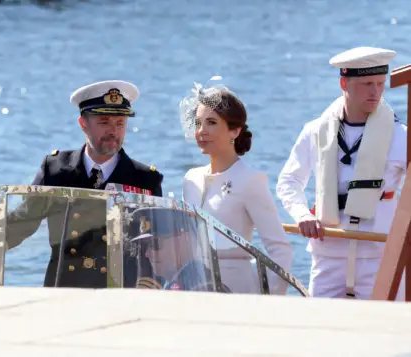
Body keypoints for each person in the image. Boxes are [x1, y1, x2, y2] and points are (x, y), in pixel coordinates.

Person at [0, 80, 164, 288]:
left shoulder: (145, 179)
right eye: (104, 122)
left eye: (120, 123)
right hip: (65, 288)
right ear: (83, 123)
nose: (113, 131)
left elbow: (157, 246)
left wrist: (151, 289)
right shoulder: (56, 170)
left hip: (123, 290)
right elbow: (20, 223)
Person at [276, 46, 407, 299]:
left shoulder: (402, 135)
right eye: (367, 83)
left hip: (379, 254)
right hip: (328, 256)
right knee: (324, 332)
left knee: (382, 333)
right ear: (344, 83)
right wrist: (302, 214)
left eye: (380, 83)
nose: (375, 92)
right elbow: (289, 182)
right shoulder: (314, 130)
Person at [179, 83, 293, 295]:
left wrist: (270, 300)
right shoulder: (190, 179)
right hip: (195, 288)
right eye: (198, 123)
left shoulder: (250, 180)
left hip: (237, 291)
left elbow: (281, 250)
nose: (201, 131)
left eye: (211, 123)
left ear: (235, 130)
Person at [129, 207, 220, 292]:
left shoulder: (203, 289)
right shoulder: (178, 287)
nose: (147, 253)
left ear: (184, 240)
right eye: (145, 245)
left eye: (155, 243)